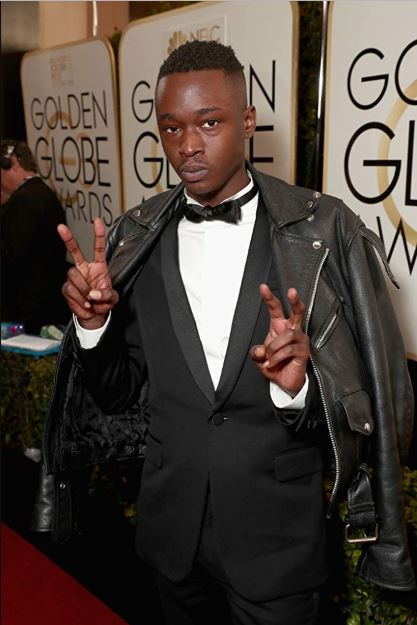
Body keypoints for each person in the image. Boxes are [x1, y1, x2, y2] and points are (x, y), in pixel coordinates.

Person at [43, 41, 415, 624]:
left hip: (276, 546)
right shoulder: (136, 237)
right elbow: (120, 394)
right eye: (170, 128)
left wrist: (296, 389)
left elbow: (373, 409)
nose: (187, 146)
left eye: (208, 122)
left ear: (246, 121)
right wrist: (94, 330)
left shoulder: (321, 229)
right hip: (171, 539)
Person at [1, 139, 69, 334]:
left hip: (27, 311)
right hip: (45, 304)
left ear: (12, 162)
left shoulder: (24, 199)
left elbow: (12, 255)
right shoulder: (42, 193)